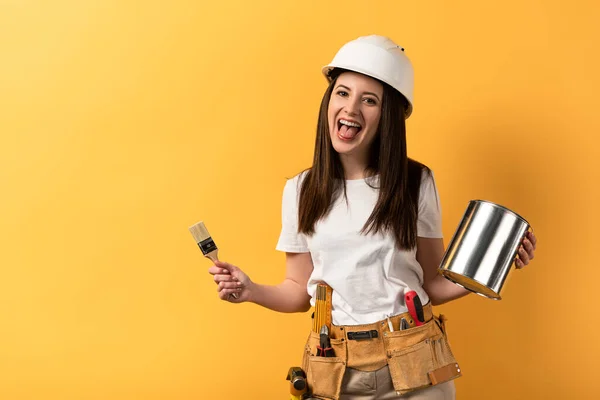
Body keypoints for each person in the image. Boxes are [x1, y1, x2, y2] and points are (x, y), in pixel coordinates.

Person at [208, 35, 537, 400]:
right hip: (334, 367)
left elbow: (431, 282)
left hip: (416, 360)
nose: (351, 109)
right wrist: (250, 290)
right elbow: (299, 291)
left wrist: (495, 265)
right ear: (329, 100)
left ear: (388, 116)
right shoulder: (301, 190)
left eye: (369, 100)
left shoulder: (416, 182)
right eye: (342, 93)